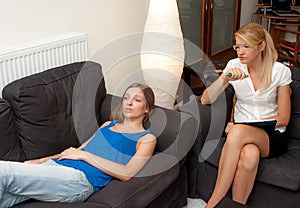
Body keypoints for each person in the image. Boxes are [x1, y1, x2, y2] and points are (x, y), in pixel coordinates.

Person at [0, 83, 156, 208]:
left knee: (3, 171)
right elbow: (75, 151)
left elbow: (127, 173)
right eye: (126, 98)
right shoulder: (108, 125)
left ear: (147, 108)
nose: (129, 103)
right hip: (55, 167)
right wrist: (40, 161)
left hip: (79, 180)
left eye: (137, 100)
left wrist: (86, 156)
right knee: (5, 198)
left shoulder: (146, 138)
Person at [200, 23, 292, 207]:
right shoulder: (234, 66)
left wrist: (243, 128)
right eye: (237, 46)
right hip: (242, 137)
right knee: (249, 154)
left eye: (246, 46)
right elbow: (205, 100)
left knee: (237, 131)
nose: (240, 52)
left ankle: (213, 203)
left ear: (261, 46)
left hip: (271, 135)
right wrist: (224, 78)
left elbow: (283, 118)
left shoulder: (280, 71)